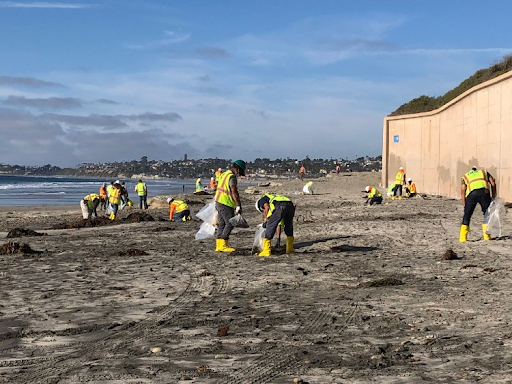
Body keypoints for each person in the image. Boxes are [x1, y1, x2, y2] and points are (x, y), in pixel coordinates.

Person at [214, 160, 246, 252]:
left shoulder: (224, 174)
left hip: (218, 201)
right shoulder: (231, 177)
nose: (239, 174)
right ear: (237, 169)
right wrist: (238, 205)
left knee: (222, 224)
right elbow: (233, 191)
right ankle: (223, 243)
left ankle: (219, 245)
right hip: (226, 202)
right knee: (230, 223)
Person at [459, 166, 497, 242]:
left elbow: (463, 190)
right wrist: (493, 196)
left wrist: (464, 203)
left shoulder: (465, 176)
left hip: (472, 194)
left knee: (467, 215)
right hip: (484, 192)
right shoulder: (484, 172)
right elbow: (493, 183)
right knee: (487, 214)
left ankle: (463, 238)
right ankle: (487, 236)